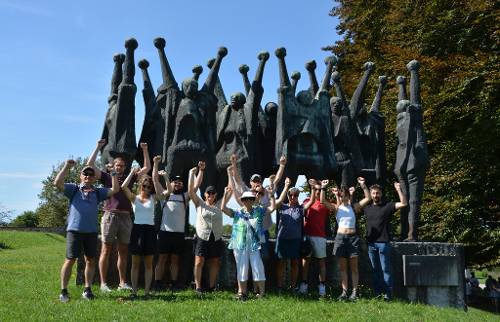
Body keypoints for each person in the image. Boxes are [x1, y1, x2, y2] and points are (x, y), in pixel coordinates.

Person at [86, 139, 151, 292]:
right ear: (113, 166)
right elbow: (90, 165)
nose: (119, 168)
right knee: (105, 250)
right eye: (117, 165)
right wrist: (98, 146)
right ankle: (103, 284)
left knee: (123, 251)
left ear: (125, 167)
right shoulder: (107, 177)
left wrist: (145, 150)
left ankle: (122, 283)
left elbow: (147, 167)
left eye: (122, 166)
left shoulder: (130, 177)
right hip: (110, 215)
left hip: (126, 216)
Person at [55, 161, 119, 302]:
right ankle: (64, 291)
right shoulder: (74, 189)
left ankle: (87, 289)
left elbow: (115, 189)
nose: (88, 176)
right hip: (74, 231)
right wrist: (66, 167)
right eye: (85, 173)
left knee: (90, 260)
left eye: (91, 174)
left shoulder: (98, 191)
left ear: (94, 178)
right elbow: (57, 183)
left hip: (91, 232)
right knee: (70, 260)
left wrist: (113, 172)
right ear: (81, 176)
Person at [120, 156, 167, 298]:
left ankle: (147, 292)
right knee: (135, 264)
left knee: (148, 264)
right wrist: (132, 172)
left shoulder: (154, 198)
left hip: (150, 231)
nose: (146, 188)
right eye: (144, 185)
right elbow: (123, 187)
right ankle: (134, 291)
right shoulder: (135, 198)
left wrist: (166, 177)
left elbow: (168, 192)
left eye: (149, 186)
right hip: (137, 230)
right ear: (140, 185)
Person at [153, 162, 203, 291]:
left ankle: (174, 284)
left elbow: (196, 186)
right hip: (165, 232)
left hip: (179, 233)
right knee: (162, 258)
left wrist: (200, 171)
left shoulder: (184, 197)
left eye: (180, 182)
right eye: (175, 182)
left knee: (175, 260)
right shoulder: (165, 195)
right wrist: (155, 164)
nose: (178, 184)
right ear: (170, 183)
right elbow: (155, 181)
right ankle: (157, 283)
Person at [222, 182, 276, 301]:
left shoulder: (259, 211)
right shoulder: (237, 212)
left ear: (253, 199)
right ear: (242, 200)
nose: (248, 201)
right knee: (242, 268)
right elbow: (223, 209)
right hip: (240, 245)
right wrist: (226, 195)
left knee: (258, 267)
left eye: (250, 198)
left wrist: (271, 195)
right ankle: (243, 293)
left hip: (254, 245)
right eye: (245, 199)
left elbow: (272, 208)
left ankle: (261, 294)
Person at [229, 154, 286, 261]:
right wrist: (234, 163)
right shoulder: (247, 193)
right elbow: (237, 180)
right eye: (254, 181)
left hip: (263, 230)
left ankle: (261, 277)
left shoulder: (266, 192)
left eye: (258, 181)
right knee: (248, 258)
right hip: (249, 231)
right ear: (250, 183)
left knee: (264, 257)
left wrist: (282, 165)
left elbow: (276, 180)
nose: (256, 183)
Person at [322, 177, 370, 301]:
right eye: (342, 195)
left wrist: (363, 185)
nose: (344, 198)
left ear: (349, 196)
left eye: (346, 195)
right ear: (340, 196)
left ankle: (354, 292)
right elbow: (322, 201)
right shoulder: (337, 208)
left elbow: (368, 198)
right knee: (343, 268)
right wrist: (323, 187)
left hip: (353, 238)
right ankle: (344, 292)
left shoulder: (354, 207)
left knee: (354, 267)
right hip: (340, 238)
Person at [187, 164, 232, 295]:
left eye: (213, 193)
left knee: (215, 262)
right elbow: (191, 191)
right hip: (202, 236)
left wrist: (230, 173)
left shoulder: (219, 205)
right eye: (208, 193)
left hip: (216, 236)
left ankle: (212, 287)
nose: (211, 195)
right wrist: (192, 173)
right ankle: (198, 287)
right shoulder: (199, 203)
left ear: (216, 195)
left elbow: (229, 190)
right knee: (199, 261)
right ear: (205, 194)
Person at [363, 182, 407, 300]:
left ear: (381, 194)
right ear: (371, 195)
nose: (375, 195)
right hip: (371, 244)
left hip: (383, 243)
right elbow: (353, 207)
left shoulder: (387, 206)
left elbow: (403, 203)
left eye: (377, 193)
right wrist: (362, 186)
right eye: (373, 193)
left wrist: (398, 189)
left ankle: (388, 295)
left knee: (385, 270)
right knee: (375, 271)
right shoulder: (366, 208)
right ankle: (378, 294)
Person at [274, 178, 314, 293]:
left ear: (298, 196)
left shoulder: (300, 208)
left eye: (296, 195)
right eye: (291, 195)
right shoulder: (282, 206)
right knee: (281, 263)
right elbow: (277, 201)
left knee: (295, 263)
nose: (293, 197)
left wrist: (311, 188)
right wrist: (286, 186)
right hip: (282, 239)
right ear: (288, 196)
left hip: (296, 240)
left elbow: (311, 202)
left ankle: (293, 287)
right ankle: (280, 287)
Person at [298, 179, 330, 297]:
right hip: (307, 235)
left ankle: (322, 286)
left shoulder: (325, 203)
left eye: (318, 189)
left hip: (320, 236)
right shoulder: (306, 201)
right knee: (305, 261)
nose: (317, 191)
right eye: (315, 189)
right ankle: (304, 284)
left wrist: (324, 188)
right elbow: (305, 208)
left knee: (321, 262)